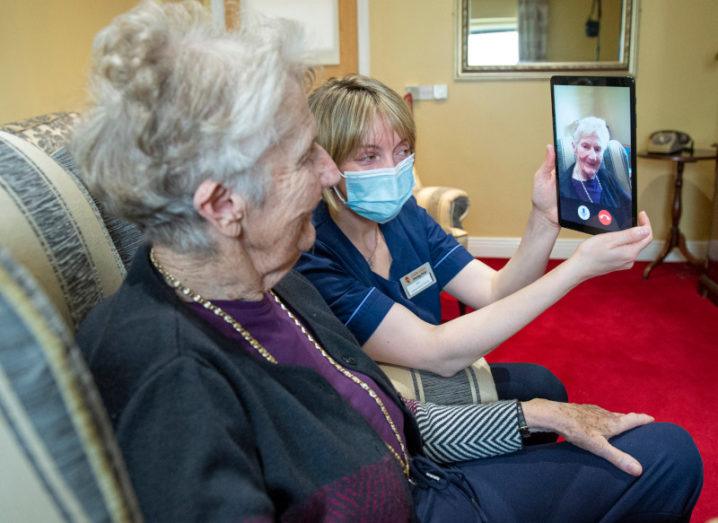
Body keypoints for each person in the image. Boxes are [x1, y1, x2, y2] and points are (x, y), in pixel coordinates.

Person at [72, 2, 702, 521]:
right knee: (670, 456)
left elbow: (385, 419)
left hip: (419, 475)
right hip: (415, 506)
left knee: (640, 440)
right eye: (305, 156)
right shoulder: (170, 377)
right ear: (223, 203)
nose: (329, 174)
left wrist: (533, 416)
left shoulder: (270, 280)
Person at [559, 116, 632, 208]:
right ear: (574, 147)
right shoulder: (562, 189)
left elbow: (629, 208)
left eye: (597, 149)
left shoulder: (607, 177)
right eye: (585, 147)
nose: (592, 157)